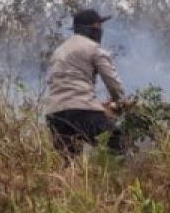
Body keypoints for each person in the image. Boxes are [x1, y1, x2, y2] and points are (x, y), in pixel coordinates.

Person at [45, 9, 128, 157]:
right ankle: (117, 178)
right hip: (82, 110)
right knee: (116, 141)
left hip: (54, 114)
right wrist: (118, 102)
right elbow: (113, 83)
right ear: (94, 27)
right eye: (99, 26)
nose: (101, 30)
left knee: (69, 163)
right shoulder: (94, 49)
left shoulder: (58, 51)